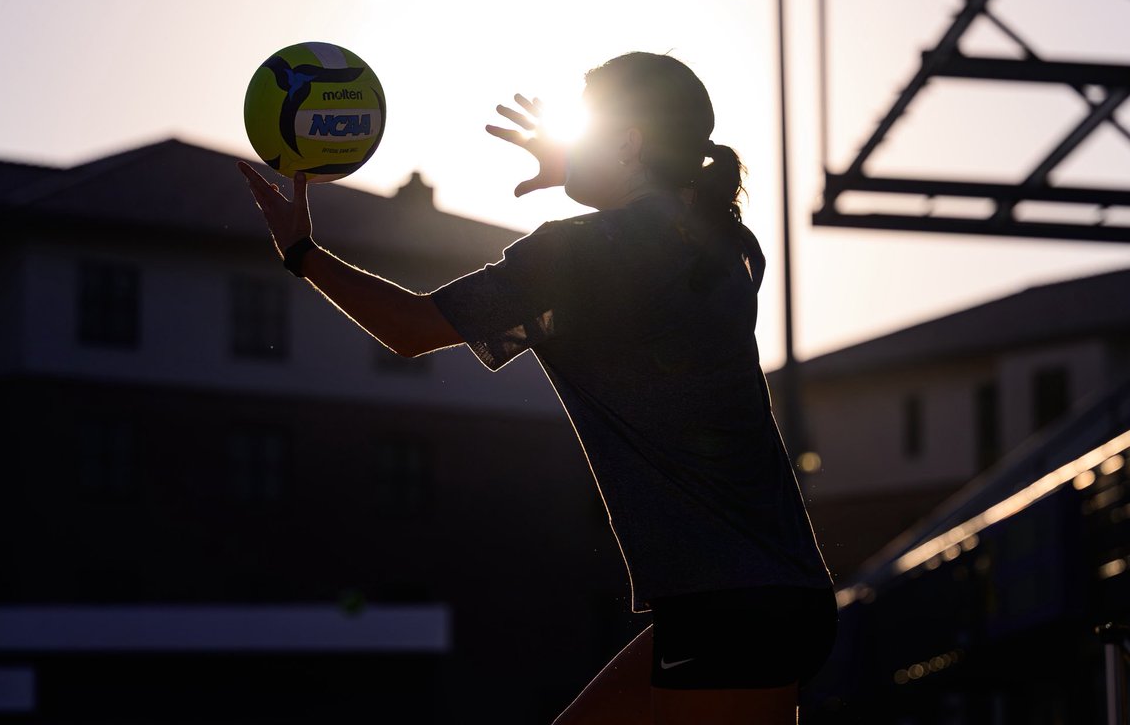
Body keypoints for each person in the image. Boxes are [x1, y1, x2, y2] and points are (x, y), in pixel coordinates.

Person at [239, 51, 838, 725]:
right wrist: (585, 176)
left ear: (629, 142)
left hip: (726, 606)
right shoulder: (730, 245)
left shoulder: (577, 252)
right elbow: (657, 236)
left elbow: (409, 328)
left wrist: (302, 254)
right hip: (776, 592)